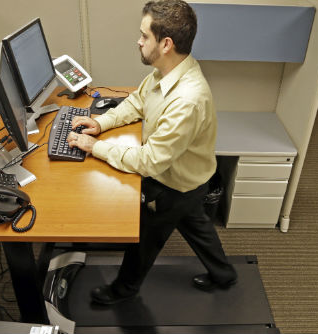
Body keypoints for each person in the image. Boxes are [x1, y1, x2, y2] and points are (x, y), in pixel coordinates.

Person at [66, 0, 238, 305]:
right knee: (194, 222)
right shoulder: (166, 71)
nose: (139, 41)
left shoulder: (187, 99)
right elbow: (136, 103)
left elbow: (150, 161)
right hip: (190, 176)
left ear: (166, 43)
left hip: (175, 183)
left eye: (145, 36)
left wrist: (96, 148)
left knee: (145, 234)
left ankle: (124, 289)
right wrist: (100, 123)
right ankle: (224, 273)